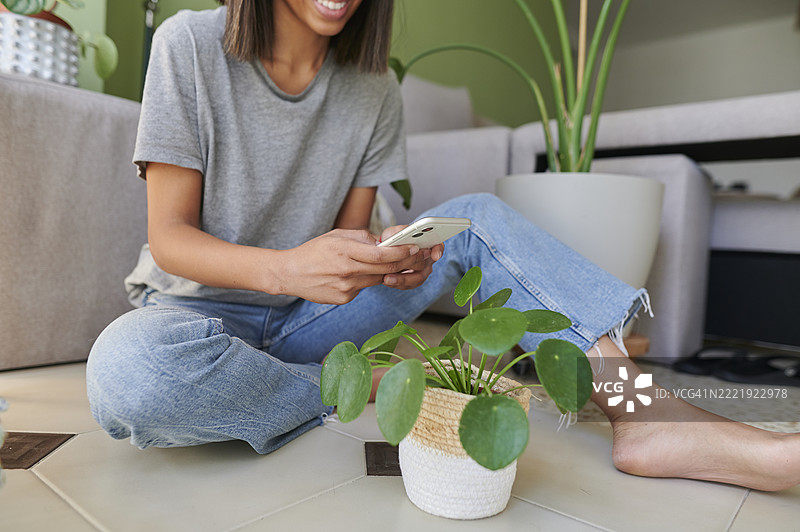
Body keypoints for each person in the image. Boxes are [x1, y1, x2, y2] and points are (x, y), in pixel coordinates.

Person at [86, 0, 799, 491]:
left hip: (312, 322)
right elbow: (170, 240)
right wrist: (287, 269)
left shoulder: (372, 92)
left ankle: (642, 415)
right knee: (128, 373)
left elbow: (351, 238)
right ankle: (365, 384)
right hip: (198, 317)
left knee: (476, 217)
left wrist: (387, 259)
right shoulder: (187, 45)